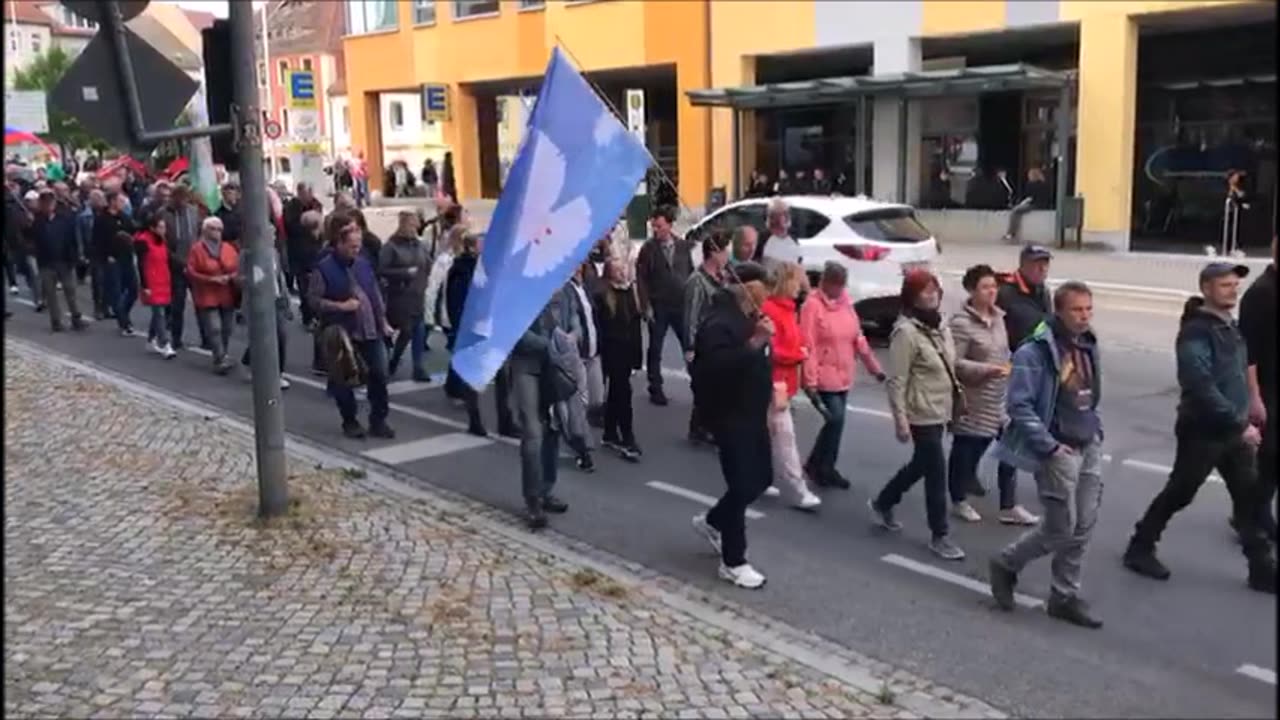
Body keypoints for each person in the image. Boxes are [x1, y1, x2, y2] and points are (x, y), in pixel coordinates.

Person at [1123, 263, 1276, 594]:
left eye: (1235, 285)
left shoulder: (1229, 326)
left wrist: (1251, 402)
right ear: (1207, 288)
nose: (1233, 290)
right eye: (1225, 285)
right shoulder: (1197, 331)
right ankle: (1140, 547)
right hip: (1203, 431)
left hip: (1234, 432)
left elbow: (1236, 372)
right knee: (1181, 492)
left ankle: (1262, 568)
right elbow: (1200, 384)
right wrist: (1240, 423)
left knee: (1248, 499)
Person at [988, 281, 1106, 629]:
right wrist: (1050, 446)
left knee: (1083, 526)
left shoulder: (1089, 343)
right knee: (1060, 529)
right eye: (1077, 310)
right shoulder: (1035, 351)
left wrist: (1095, 429)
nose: (1084, 317)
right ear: (1059, 310)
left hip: (1088, 443)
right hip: (1058, 450)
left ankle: (1064, 596)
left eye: (1088, 309)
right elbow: (1018, 405)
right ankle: (1006, 564)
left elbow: (1090, 391)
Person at [868, 270, 965, 561]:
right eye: (924, 290)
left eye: (934, 288)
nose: (932, 294)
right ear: (911, 296)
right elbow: (897, 379)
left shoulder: (941, 327)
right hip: (921, 412)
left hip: (942, 409)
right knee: (936, 471)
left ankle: (883, 501)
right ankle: (940, 535)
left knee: (921, 465)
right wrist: (900, 419)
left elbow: (951, 364)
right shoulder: (906, 333)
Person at [690, 262, 775, 589]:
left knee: (762, 478)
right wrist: (754, 343)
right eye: (763, 287)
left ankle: (712, 521)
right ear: (748, 288)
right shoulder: (718, 323)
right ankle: (733, 561)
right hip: (729, 415)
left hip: (753, 412)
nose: (766, 294)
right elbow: (715, 369)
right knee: (741, 484)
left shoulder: (750, 318)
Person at [948, 264, 1038, 526]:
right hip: (972, 399)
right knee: (966, 449)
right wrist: (986, 369)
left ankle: (1009, 505)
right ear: (971, 290)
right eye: (985, 287)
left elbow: (1004, 351)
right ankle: (958, 499)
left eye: (993, 287)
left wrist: (1012, 367)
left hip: (999, 397)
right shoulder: (961, 324)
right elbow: (954, 362)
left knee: (1009, 448)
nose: (991, 292)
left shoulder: (999, 318)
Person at [800, 261, 885, 489]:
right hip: (823, 375)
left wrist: (874, 368)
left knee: (837, 423)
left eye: (842, 285)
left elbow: (858, 338)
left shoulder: (846, 303)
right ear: (825, 283)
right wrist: (809, 380)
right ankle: (821, 466)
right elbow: (807, 344)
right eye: (835, 284)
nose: (839, 289)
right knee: (834, 418)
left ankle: (820, 465)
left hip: (844, 373)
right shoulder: (812, 306)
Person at [309, 216, 395, 439]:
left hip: (370, 329)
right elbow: (314, 301)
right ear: (339, 244)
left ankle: (378, 420)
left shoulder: (363, 264)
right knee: (344, 379)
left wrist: (383, 321)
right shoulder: (324, 268)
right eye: (352, 246)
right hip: (342, 332)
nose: (356, 250)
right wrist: (341, 306)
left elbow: (374, 293)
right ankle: (350, 420)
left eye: (358, 246)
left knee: (379, 373)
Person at [509, 287, 580, 530]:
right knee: (532, 432)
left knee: (553, 428)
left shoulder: (563, 284)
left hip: (554, 365)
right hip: (526, 365)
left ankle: (545, 490)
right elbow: (516, 331)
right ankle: (532, 501)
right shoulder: (520, 282)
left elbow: (574, 316)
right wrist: (551, 345)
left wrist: (573, 335)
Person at [990, 245, 1053, 498]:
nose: (1043, 269)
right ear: (1024, 264)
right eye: (1038, 264)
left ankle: (1015, 496)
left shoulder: (1042, 292)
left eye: (1046, 264)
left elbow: (1045, 324)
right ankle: (1007, 500)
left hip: (1035, 368)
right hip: (1010, 370)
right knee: (1007, 431)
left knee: (1011, 431)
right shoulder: (1005, 292)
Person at [761, 263, 823, 511]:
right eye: (798, 282)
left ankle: (760, 478)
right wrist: (799, 354)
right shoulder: (773, 310)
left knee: (766, 434)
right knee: (785, 437)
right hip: (775, 383)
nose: (801, 288)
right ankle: (798, 489)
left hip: (782, 383)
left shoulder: (787, 310)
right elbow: (773, 350)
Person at [635, 205, 694, 406]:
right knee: (656, 347)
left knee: (688, 343)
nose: (656, 230)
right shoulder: (648, 249)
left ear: (669, 225)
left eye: (659, 226)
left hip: (679, 303)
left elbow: (691, 272)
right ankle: (655, 386)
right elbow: (641, 278)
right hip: (658, 304)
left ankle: (697, 380)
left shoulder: (683, 246)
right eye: (654, 227)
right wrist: (645, 306)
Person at [1238, 236, 1277, 541]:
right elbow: (1248, 352)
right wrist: (1254, 397)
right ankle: (1253, 518)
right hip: (1267, 387)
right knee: (1267, 456)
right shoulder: (1261, 294)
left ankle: (1251, 514)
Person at [682, 230, 729, 445]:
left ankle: (702, 425)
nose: (728, 254)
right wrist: (689, 346)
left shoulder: (723, 277)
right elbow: (690, 315)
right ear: (713, 252)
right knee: (704, 386)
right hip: (703, 341)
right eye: (724, 250)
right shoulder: (697, 281)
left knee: (714, 385)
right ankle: (700, 428)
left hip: (719, 340)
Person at [595, 254, 643, 462]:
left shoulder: (629, 293)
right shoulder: (603, 294)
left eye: (623, 268)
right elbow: (600, 327)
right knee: (622, 392)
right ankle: (627, 436)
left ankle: (610, 431)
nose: (622, 272)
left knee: (618, 391)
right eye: (617, 269)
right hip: (610, 350)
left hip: (625, 351)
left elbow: (635, 327)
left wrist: (637, 357)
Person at [443, 232, 489, 437]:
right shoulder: (463, 270)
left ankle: (453, 387)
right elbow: (457, 302)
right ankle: (475, 420)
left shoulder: (480, 268)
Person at [380, 210, 432, 382]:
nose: (414, 228)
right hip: (399, 296)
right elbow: (381, 269)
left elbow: (427, 263)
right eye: (411, 225)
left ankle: (418, 367)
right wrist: (403, 273)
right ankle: (391, 359)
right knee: (405, 330)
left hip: (417, 294)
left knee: (418, 330)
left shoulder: (419, 245)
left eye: (416, 225)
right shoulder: (391, 246)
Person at [185, 217, 240, 374]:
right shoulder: (197, 249)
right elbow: (191, 271)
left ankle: (223, 353)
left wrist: (230, 277)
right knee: (214, 327)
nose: (217, 232)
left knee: (227, 328)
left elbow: (237, 267)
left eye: (219, 229)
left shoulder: (228, 248)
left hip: (226, 294)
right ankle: (219, 358)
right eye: (213, 229)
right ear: (205, 230)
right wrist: (210, 279)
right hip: (207, 294)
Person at [238, 239, 292, 390]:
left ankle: (278, 373)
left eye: (274, 235)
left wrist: (286, 300)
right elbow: (240, 278)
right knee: (260, 336)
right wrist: (254, 280)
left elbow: (279, 277)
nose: (273, 238)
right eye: (270, 234)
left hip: (275, 299)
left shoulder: (274, 253)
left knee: (280, 335)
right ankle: (248, 361)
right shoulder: (247, 254)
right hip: (257, 301)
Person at [565, 262, 605, 453]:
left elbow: (593, 316)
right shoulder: (566, 290)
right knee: (580, 399)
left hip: (593, 349)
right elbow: (571, 320)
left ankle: (583, 429)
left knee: (597, 397)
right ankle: (581, 441)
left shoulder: (585, 287)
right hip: (578, 352)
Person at [31, 190, 85, 332]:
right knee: (51, 293)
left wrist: (75, 256)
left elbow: (72, 238)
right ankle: (56, 321)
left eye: (51, 203)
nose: (48, 206)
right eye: (45, 203)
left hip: (64, 260)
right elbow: (32, 239)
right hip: (46, 262)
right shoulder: (37, 221)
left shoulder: (64, 218)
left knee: (70, 290)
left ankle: (76, 318)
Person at [161, 185, 203, 349]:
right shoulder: (165, 214)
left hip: (193, 263)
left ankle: (206, 338)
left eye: (185, 199)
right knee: (177, 303)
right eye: (180, 198)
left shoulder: (193, 212)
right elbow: (163, 242)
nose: (183, 202)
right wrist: (176, 259)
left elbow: (198, 234)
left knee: (200, 303)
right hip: (175, 264)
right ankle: (176, 337)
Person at [427, 225, 466, 394]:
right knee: (459, 349)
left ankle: (454, 384)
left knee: (460, 349)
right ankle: (455, 386)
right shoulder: (445, 260)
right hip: (448, 313)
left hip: (463, 311)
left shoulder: (469, 259)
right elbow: (432, 288)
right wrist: (429, 316)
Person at [95, 191, 139, 335]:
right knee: (116, 291)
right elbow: (97, 240)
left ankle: (123, 312)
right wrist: (105, 256)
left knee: (133, 289)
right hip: (112, 259)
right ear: (112, 201)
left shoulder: (124, 217)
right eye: (120, 200)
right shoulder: (102, 219)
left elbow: (133, 231)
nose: (123, 203)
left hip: (126, 257)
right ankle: (124, 322)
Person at [133, 214, 176, 358]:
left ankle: (151, 339)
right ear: (152, 228)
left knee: (161, 312)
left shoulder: (161, 240)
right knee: (159, 312)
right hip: (151, 280)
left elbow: (168, 257)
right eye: (160, 227)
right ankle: (165, 343)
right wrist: (145, 285)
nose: (164, 230)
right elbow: (140, 264)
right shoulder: (143, 241)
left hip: (163, 279)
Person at [758, 198, 800, 268]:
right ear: (772, 217)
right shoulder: (762, 239)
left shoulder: (792, 239)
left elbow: (798, 260)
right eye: (783, 213)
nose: (787, 216)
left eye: (787, 213)